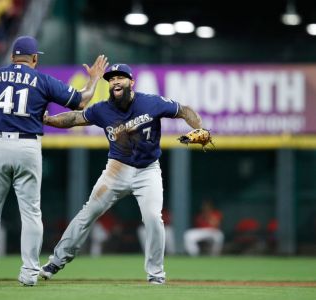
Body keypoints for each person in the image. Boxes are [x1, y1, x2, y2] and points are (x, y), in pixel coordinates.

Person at [0, 35, 108, 286]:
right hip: (27, 145)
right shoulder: (42, 79)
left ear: (13, 57)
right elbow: (82, 100)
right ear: (34, 59)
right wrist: (94, 78)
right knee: (31, 213)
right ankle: (29, 272)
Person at [40, 63, 205, 285]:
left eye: (121, 77)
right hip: (116, 170)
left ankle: (156, 274)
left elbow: (185, 110)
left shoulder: (151, 102)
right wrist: (50, 120)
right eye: (111, 78)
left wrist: (199, 127)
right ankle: (55, 262)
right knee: (88, 213)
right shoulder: (102, 109)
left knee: (154, 219)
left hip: (148, 171)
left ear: (131, 82)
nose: (115, 81)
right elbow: (75, 118)